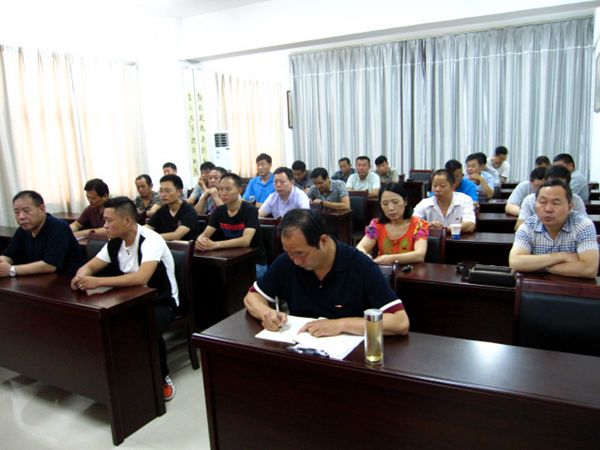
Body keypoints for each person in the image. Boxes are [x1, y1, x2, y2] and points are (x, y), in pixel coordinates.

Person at [71, 197, 180, 400]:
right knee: (101, 321)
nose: (105, 226)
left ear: (127, 221)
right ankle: (119, 375)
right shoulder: (115, 242)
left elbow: (141, 278)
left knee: (147, 326)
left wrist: (97, 282)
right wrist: (81, 276)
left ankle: (161, 375)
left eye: (109, 221)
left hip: (161, 300)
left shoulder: (151, 239)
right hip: (129, 298)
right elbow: (91, 266)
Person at [243, 208, 409, 336]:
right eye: (289, 253)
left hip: (349, 358)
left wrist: (341, 325)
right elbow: (252, 297)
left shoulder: (360, 265)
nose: (295, 261)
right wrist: (266, 313)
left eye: (301, 254)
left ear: (323, 241)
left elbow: (400, 322)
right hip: (299, 349)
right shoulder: (288, 262)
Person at [509, 179, 598, 279]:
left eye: (555, 203)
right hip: (537, 286)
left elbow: (589, 269)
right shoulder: (528, 225)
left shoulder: (583, 225)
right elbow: (515, 262)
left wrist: (541, 267)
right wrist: (562, 256)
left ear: (570, 207)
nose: (548, 209)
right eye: (543, 202)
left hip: (574, 287)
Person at [195, 173, 268, 280]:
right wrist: (200, 242)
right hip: (229, 259)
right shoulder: (219, 211)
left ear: (239, 190)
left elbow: (245, 241)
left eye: (228, 189)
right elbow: (205, 235)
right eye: (220, 189)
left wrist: (215, 245)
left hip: (253, 262)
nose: (223, 193)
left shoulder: (250, 210)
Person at [0, 191, 85, 278]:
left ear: (42, 209)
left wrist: (12, 270)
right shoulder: (23, 230)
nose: (21, 217)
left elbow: (50, 265)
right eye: (17, 212)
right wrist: (2, 262)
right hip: (38, 279)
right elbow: (9, 255)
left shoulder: (58, 227)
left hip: (65, 280)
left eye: (26, 211)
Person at [357, 183, 429, 265]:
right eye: (385, 204)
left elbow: (419, 255)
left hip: (411, 271)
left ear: (405, 201)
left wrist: (391, 259)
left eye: (395, 202)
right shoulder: (376, 225)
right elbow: (360, 248)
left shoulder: (419, 225)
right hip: (383, 271)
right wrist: (366, 256)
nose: (391, 208)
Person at [515, 166, 588, 230]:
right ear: (545, 182)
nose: (555, 189)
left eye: (560, 185)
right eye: (552, 184)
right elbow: (520, 226)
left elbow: (585, 225)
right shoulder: (530, 200)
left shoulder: (576, 200)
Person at [413, 169, 476, 234]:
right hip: (432, 240)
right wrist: (428, 226)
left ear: (453, 187)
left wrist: (444, 229)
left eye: (442, 186)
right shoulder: (425, 203)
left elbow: (470, 225)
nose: (437, 189)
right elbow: (412, 224)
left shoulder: (465, 200)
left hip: (458, 239)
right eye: (435, 185)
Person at [146, 174, 200, 241]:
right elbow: (147, 228)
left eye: (167, 191)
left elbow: (176, 236)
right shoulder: (162, 210)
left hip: (185, 247)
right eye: (161, 191)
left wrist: (152, 237)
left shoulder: (189, 211)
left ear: (179, 192)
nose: (163, 194)